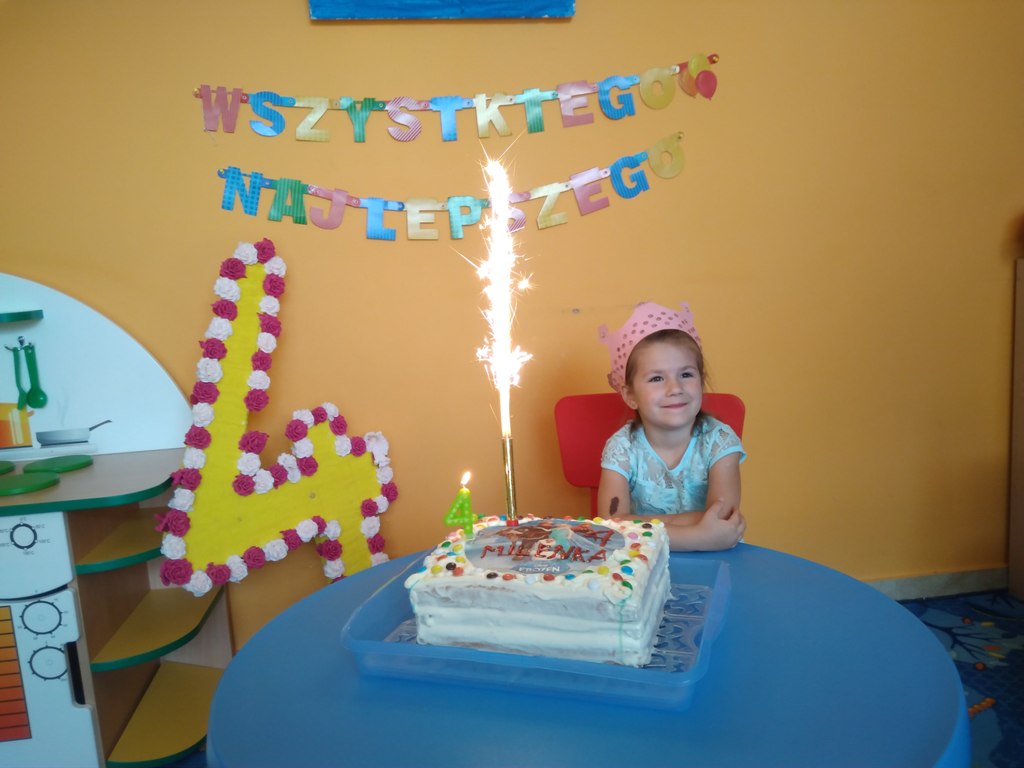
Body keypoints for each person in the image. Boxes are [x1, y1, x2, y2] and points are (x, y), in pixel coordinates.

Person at [596, 301, 746, 551]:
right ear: (630, 395)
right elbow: (611, 527)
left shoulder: (719, 441)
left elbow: (723, 522)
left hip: (715, 559)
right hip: (642, 563)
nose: (675, 388)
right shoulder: (621, 447)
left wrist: (636, 525)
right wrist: (697, 536)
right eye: (656, 378)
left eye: (686, 374)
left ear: (701, 381)